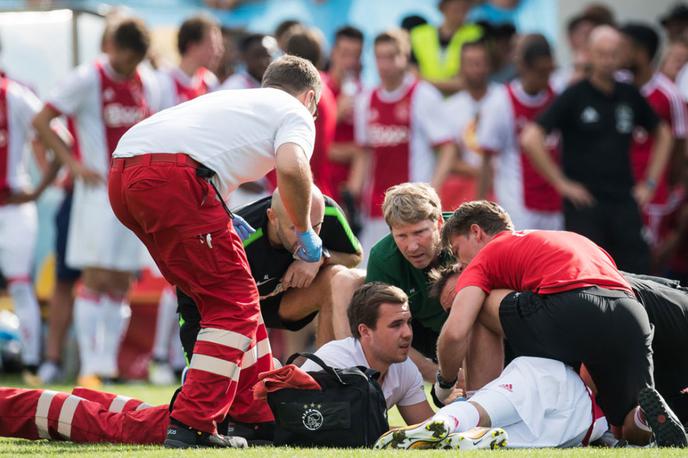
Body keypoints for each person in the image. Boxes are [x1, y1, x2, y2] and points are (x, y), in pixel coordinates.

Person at [108, 55, 323, 448]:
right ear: (310, 97)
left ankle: (253, 414)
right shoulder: (295, 111)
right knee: (235, 303)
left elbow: (202, 153)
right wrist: (306, 232)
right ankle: (193, 422)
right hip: (174, 180)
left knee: (232, 299)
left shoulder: (233, 101)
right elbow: (291, 169)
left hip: (124, 176)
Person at [435, 200, 687, 446]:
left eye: (457, 251)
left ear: (476, 232)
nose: (461, 264)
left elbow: (456, 332)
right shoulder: (570, 238)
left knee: (477, 304)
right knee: (626, 426)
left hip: (571, 306)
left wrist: (444, 384)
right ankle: (645, 417)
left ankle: (479, 411)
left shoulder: (485, 256)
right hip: (631, 311)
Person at [33, 17, 159, 386]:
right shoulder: (87, 78)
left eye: (137, 61)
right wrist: (72, 164)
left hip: (131, 194)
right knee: (94, 276)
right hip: (95, 195)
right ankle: (88, 364)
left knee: (121, 280)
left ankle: (106, 365)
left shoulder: (146, 82)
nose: (130, 67)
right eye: (127, 59)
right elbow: (43, 120)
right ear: (113, 48)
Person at [520, 26, 672, 273]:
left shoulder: (628, 94)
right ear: (589, 54)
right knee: (588, 275)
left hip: (624, 201)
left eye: (613, 54)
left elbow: (663, 133)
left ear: (621, 55)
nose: (607, 60)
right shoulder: (574, 95)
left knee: (637, 274)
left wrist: (651, 183)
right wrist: (561, 183)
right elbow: (531, 137)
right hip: (585, 205)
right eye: (601, 53)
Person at [177, 187, 364, 356]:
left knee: (341, 277)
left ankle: (337, 373)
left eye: (316, 227)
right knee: (223, 382)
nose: (309, 238)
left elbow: (354, 255)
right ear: (273, 217)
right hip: (231, 308)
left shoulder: (327, 210)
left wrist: (320, 259)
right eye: (296, 228)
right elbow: (191, 298)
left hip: (284, 301)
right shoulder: (237, 237)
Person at [365, 184, 502, 388]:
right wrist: (439, 375)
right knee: (355, 291)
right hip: (421, 335)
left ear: (439, 222)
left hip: (477, 325)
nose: (412, 246)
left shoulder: (468, 235)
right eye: (402, 236)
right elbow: (381, 333)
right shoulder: (383, 258)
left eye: (419, 232)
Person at [351, 29, 455, 256]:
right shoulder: (365, 100)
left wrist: (431, 192)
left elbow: (447, 148)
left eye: (391, 57)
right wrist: (353, 194)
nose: (384, 65)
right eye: (379, 57)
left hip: (415, 209)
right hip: (376, 209)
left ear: (404, 57)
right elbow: (364, 153)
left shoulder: (423, 94)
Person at [375, 357, 607, 449]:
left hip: (567, 389)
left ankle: (447, 423)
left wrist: (444, 384)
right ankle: (456, 436)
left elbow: (455, 333)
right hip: (583, 426)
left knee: (482, 414)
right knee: (498, 436)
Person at [301, 282, 434, 426]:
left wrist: (456, 409)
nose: (408, 333)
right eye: (396, 325)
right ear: (364, 331)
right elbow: (352, 433)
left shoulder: (405, 368)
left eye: (408, 322)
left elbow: (429, 429)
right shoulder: (337, 363)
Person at [0, 73, 61, 384]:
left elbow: (58, 133)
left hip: (13, 206)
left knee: (21, 286)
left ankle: (32, 365)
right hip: (16, 207)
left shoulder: (16, 95)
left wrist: (38, 190)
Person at [477, 34, 562, 230]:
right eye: (540, 72)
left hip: (555, 203)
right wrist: (479, 209)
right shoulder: (500, 101)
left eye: (549, 71)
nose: (545, 78)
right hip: (517, 205)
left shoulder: (558, 93)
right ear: (523, 67)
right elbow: (486, 158)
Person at [620, 23, 688, 251]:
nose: (618, 53)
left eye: (624, 47)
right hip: (620, 191)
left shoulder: (669, 94)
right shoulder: (617, 88)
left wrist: (664, 185)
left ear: (640, 52)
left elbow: (679, 143)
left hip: (653, 194)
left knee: (648, 262)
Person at [442, 40, 498, 210]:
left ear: (489, 66)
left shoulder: (503, 99)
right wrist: (479, 172)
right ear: (461, 67)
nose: (476, 69)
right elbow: (449, 159)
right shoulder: (449, 108)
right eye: (470, 63)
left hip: (504, 185)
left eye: (480, 63)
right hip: (467, 190)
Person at [322, 26, 365, 206]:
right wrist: (336, 112)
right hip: (323, 182)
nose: (349, 61)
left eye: (355, 55)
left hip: (351, 189)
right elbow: (313, 138)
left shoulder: (363, 92)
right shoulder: (319, 87)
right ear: (333, 53)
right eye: (345, 53)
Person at [409, 0, 482, 95]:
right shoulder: (419, 34)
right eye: (455, 8)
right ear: (443, 7)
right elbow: (412, 75)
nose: (460, 12)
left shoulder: (475, 34)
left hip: (460, 100)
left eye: (465, 7)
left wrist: (424, 82)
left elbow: (468, 81)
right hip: (424, 100)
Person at [157, 15, 222, 110]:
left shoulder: (210, 81)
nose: (218, 52)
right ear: (192, 47)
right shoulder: (163, 82)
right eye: (212, 46)